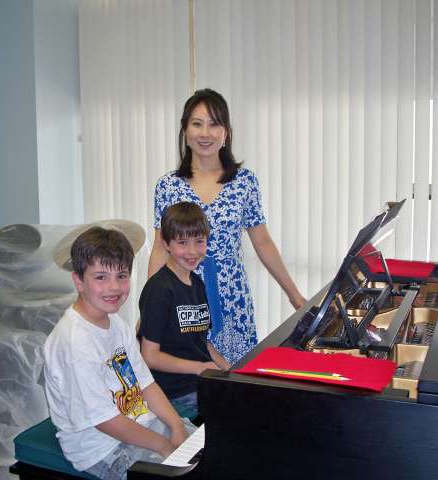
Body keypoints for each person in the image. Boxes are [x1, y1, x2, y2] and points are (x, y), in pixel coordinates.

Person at [148, 88, 307, 365]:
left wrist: (295, 296)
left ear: (226, 132)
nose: (205, 133)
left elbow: (263, 242)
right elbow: (160, 249)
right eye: (197, 124)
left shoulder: (244, 182)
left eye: (214, 124)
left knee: (234, 376)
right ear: (185, 130)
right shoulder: (168, 186)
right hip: (183, 297)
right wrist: (150, 307)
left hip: (232, 297)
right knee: (191, 373)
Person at [45, 223, 192, 480]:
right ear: (79, 281)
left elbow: (146, 383)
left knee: (214, 452)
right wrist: (163, 445)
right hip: (102, 447)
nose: (114, 287)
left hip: (139, 422)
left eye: (121, 276)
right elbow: (105, 421)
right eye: (101, 277)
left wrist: (176, 425)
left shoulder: (116, 323)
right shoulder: (74, 343)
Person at [138, 202, 230, 419]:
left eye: (199, 241)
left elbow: (202, 342)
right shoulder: (158, 289)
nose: (192, 251)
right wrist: (199, 367)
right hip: (174, 393)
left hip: (200, 383)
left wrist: (230, 371)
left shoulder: (197, 284)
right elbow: (149, 356)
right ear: (166, 243)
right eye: (182, 243)